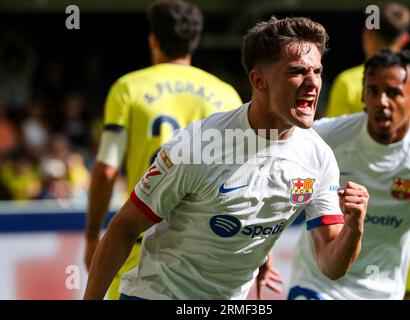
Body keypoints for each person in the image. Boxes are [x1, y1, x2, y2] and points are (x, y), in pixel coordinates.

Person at [83, 16, 369, 300]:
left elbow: (331, 266)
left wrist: (353, 229)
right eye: (297, 71)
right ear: (259, 80)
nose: (313, 83)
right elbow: (124, 227)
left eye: (317, 71)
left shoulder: (318, 157)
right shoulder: (198, 145)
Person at [83, 0, 242, 300]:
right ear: (194, 42)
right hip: (208, 250)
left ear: (153, 39)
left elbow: (106, 169)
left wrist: (92, 234)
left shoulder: (128, 88)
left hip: (142, 242)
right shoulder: (226, 94)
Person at [263, 49, 410, 300]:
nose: (382, 101)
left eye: (393, 93)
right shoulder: (328, 137)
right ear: (363, 95)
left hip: (383, 292)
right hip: (317, 284)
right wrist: (262, 245)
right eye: (373, 91)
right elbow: (270, 169)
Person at [326, 2, 410, 298]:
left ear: (367, 35)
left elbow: (326, 154)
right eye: (375, 93)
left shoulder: (348, 81)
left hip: (350, 211)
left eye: (394, 94)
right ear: (404, 38)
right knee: (406, 292)